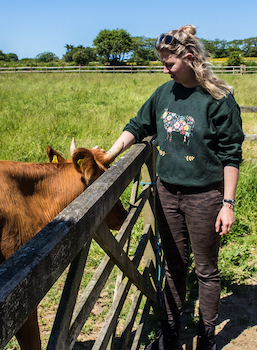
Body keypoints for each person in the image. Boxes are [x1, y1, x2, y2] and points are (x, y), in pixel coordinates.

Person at [102, 25, 244, 350]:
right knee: (174, 266)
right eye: (163, 65)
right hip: (166, 193)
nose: (165, 70)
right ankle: (170, 335)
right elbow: (138, 126)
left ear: (190, 57)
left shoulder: (219, 100)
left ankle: (206, 337)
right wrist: (110, 154)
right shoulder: (164, 93)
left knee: (206, 270)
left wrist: (227, 203)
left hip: (205, 197)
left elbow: (231, 155)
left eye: (170, 64)